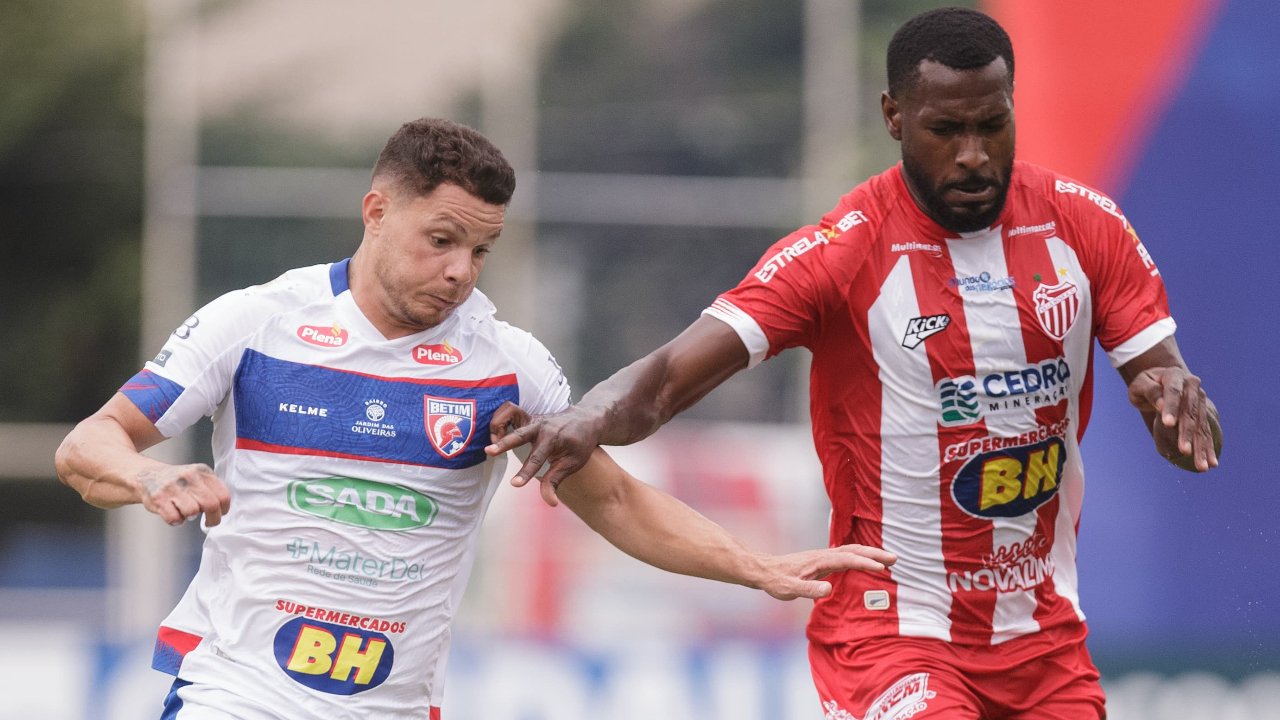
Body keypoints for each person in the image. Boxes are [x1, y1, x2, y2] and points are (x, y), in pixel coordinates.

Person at [486, 8, 1223, 719]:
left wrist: (1181, 411)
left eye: (991, 125)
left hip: (1043, 637)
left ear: (1011, 107)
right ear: (894, 117)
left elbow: (1165, 383)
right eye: (946, 130)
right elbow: (666, 378)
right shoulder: (842, 253)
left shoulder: (1085, 225)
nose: (973, 154)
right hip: (892, 634)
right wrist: (587, 415)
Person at [54, 117, 895, 719]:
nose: (461, 272)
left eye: (481, 249)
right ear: (376, 212)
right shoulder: (256, 323)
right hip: (237, 691)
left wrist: (754, 566)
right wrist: (148, 472)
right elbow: (89, 444)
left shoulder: (508, 366)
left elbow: (616, 502)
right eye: (442, 240)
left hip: (394, 704)